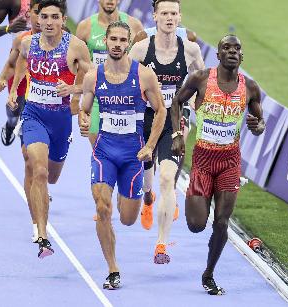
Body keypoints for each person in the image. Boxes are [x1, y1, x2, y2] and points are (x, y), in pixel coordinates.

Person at [171, 34, 266, 295]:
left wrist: (258, 126)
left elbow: (260, 123)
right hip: (202, 159)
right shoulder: (201, 79)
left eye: (237, 48)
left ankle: (209, 273)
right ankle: (193, 204)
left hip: (229, 162)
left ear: (242, 56)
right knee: (196, 224)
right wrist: (177, 135)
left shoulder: (250, 88)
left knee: (222, 222)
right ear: (219, 55)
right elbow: (176, 103)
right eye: (227, 48)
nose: (232, 52)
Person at [79, 21, 166, 289]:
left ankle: (131, 196)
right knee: (102, 208)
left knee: (127, 219)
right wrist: (83, 120)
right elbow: (84, 107)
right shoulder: (93, 76)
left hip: (133, 155)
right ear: (105, 41)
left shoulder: (144, 76)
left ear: (128, 43)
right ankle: (113, 269)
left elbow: (161, 111)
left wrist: (150, 146)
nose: (116, 44)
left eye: (121, 40)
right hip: (104, 151)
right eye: (112, 39)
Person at [8, 0, 91, 258]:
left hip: (61, 119)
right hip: (34, 115)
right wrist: (13, 89)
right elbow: (21, 62)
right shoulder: (27, 43)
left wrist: (74, 91)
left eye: (55, 17)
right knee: (39, 171)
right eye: (44, 17)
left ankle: (43, 198)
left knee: (51, 177)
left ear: (63, 20)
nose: (49, 22)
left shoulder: (76, 46)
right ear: (38, 19)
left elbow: (92, 80)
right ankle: (42, 236)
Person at [129, 0, 204, 264]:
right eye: (164, 13)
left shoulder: (191, 50)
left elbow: (201, 85)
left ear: (180, 17)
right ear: (155, 17)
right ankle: (148, 198)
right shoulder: (140, 49)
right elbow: (124, 79)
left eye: (174, 13)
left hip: (174, 118)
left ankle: (161, 245)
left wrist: (198, 106)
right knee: (149, 178)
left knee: (167, 178)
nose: (169, 18)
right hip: (146, 118)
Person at [0, 0, 42, 242]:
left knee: (37, 158)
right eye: (37, 13)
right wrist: (3, 79)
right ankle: (36, 219)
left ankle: (40, 183)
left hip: (46, 101)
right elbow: (12, 64)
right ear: (29, 14)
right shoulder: (21, 40)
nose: (42, 19)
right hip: (21, 93)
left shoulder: (65, 40)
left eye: (47, 14)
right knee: (28, 156)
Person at [74, 0, 144, 147]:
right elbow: (80, 65)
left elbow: (143, 61)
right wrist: (76, 99)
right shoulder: (85, 27)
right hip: (96, 97)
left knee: (124, 152)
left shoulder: (134, 26)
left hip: (126, 99)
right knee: (99, 150)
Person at [0, 0, 32, 145]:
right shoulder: (12, 1)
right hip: (19, 60)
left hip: (44, 61)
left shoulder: (52, 3)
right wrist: (8, 28)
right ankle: (11, 124)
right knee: (15, 107)